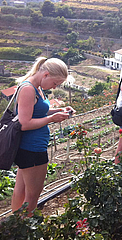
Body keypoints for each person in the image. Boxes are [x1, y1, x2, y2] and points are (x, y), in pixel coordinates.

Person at [11, 57, 74, 214]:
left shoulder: (36, 87)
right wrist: (52, 119)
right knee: (32, 196)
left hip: (31, 147)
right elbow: (24, 123)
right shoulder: (28, 89)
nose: (54, 87)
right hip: (31, 148)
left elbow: (37, 111)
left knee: (22, 190)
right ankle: (26, 229)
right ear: (45, 74)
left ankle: (15, 227)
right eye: (55, 83)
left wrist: (58, 111)